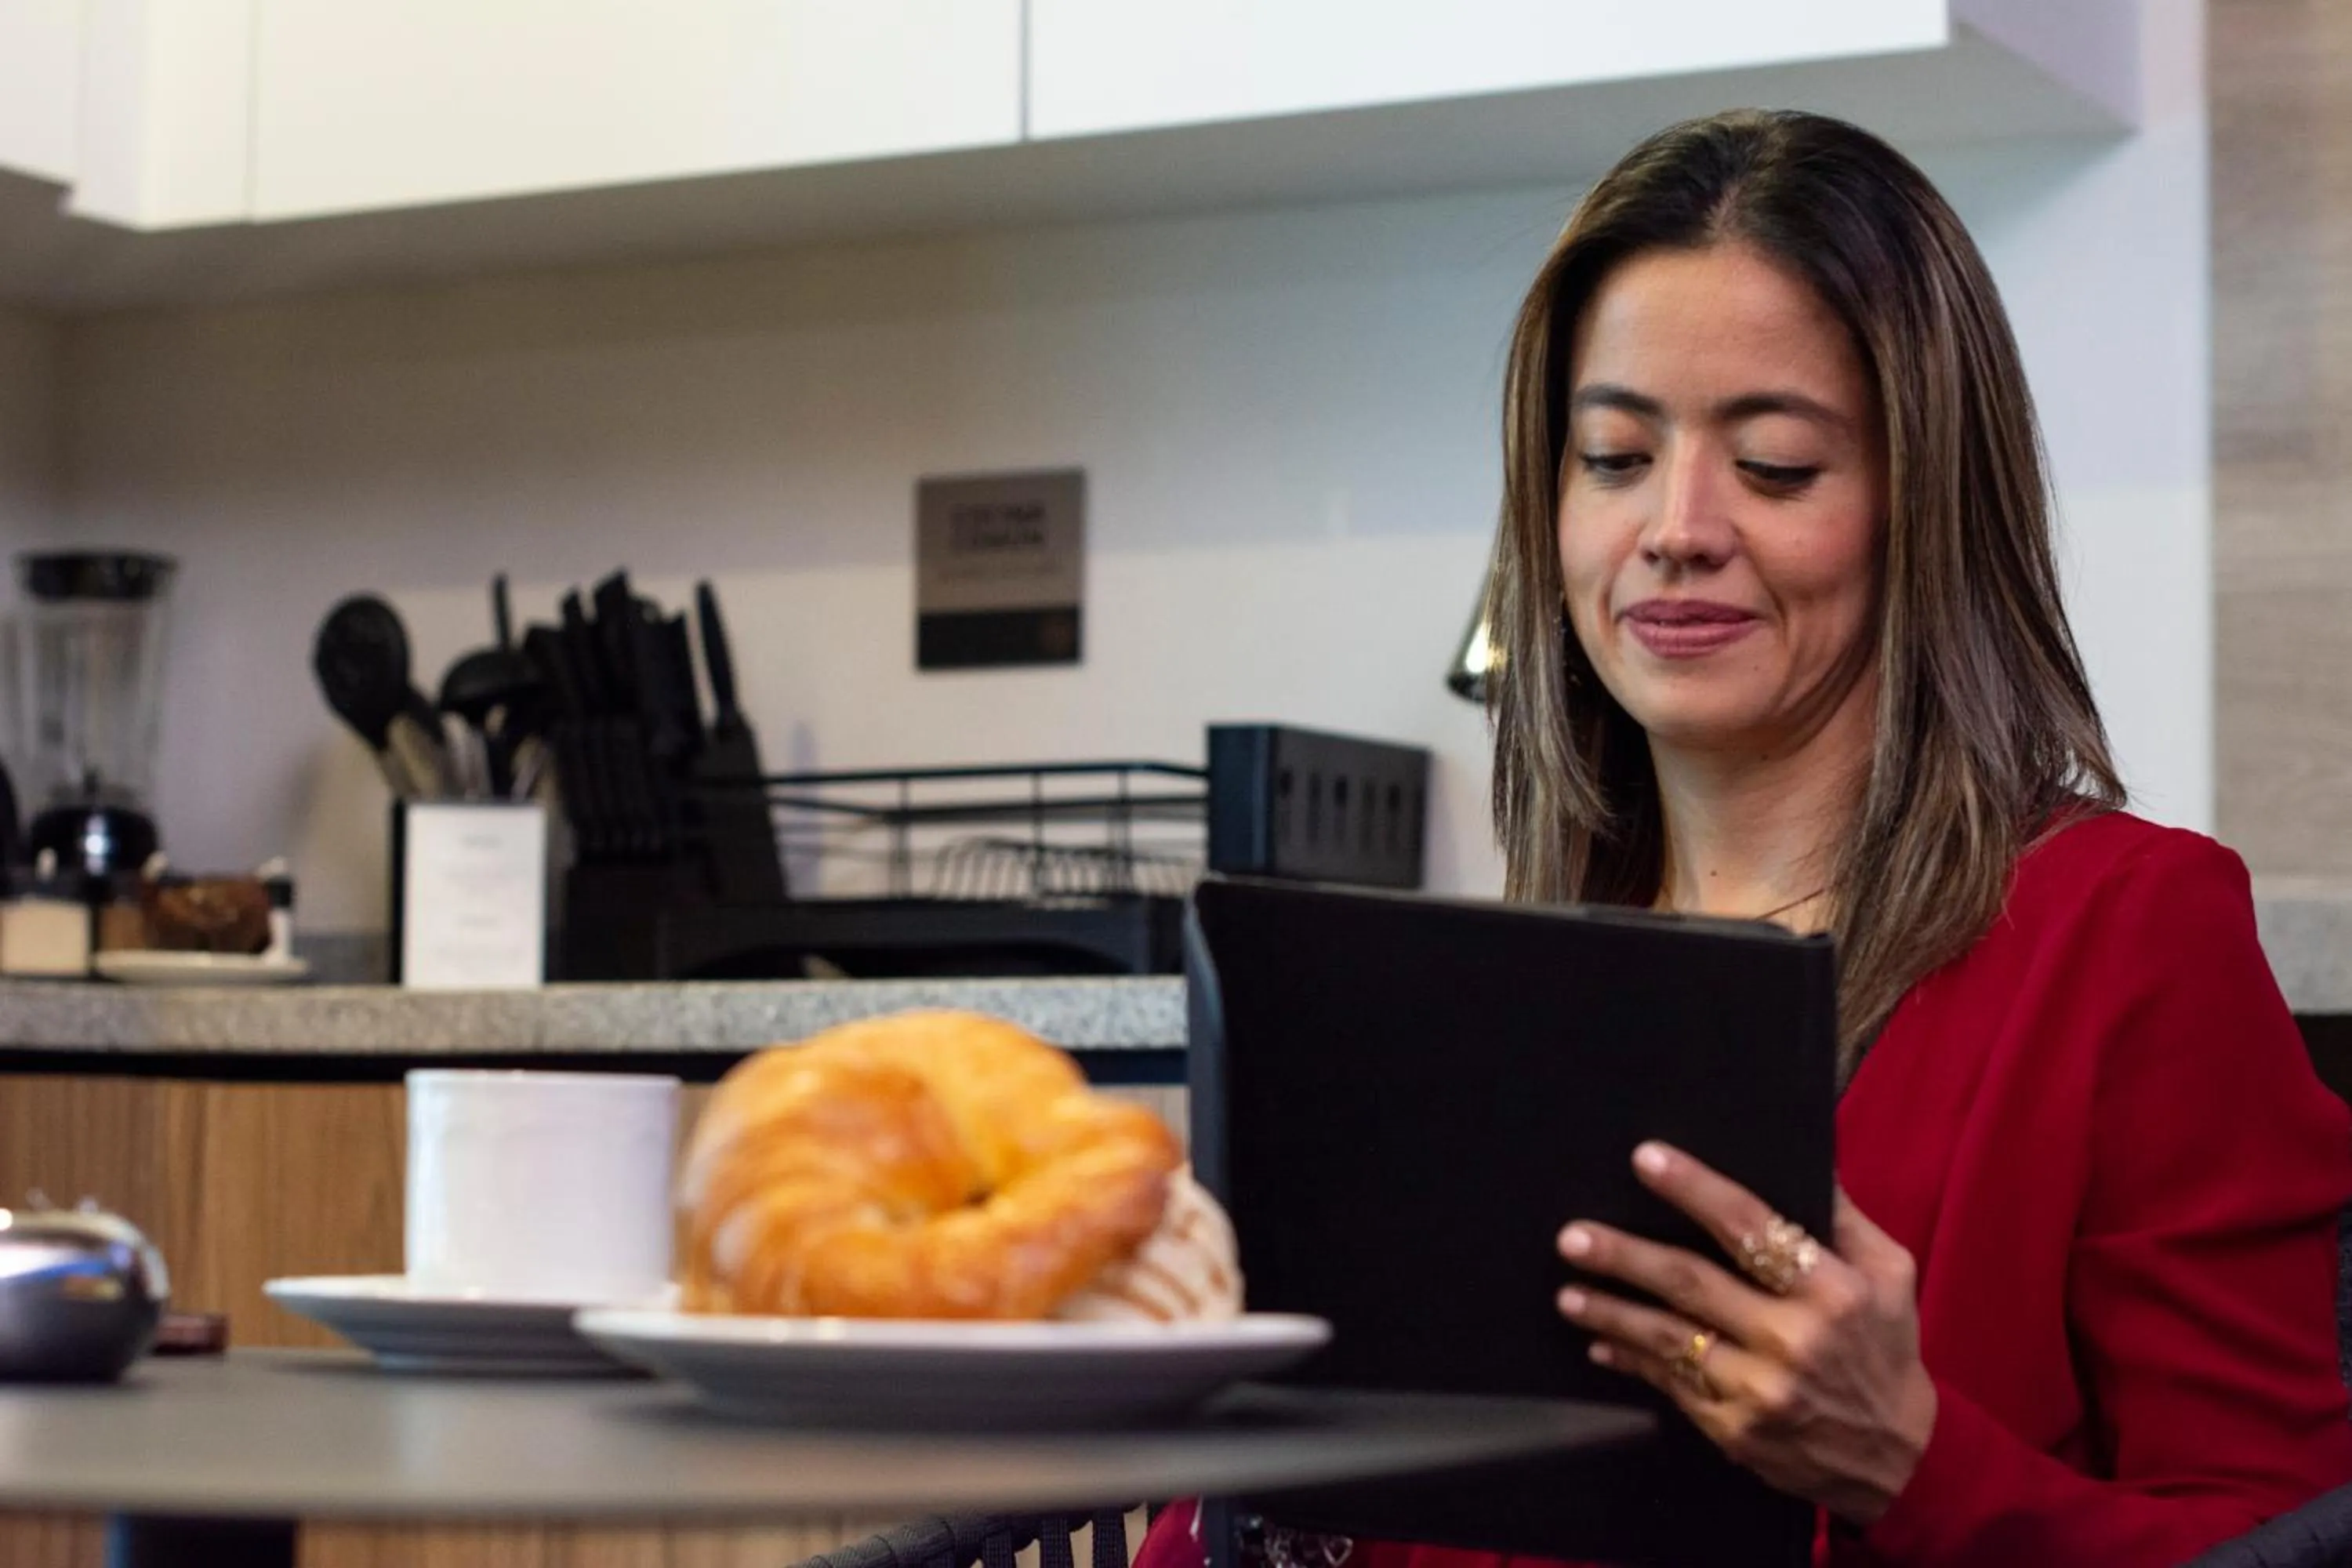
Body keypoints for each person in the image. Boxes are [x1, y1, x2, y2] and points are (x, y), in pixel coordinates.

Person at [1138, 108, 2352, 1567]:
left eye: (1775, 466)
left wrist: (1911, 1462)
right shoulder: (1486, 978)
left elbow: (2277, 1545)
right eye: (1613, 455)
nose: (1677, 526)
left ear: (1925, 505)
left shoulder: (2126, 931)